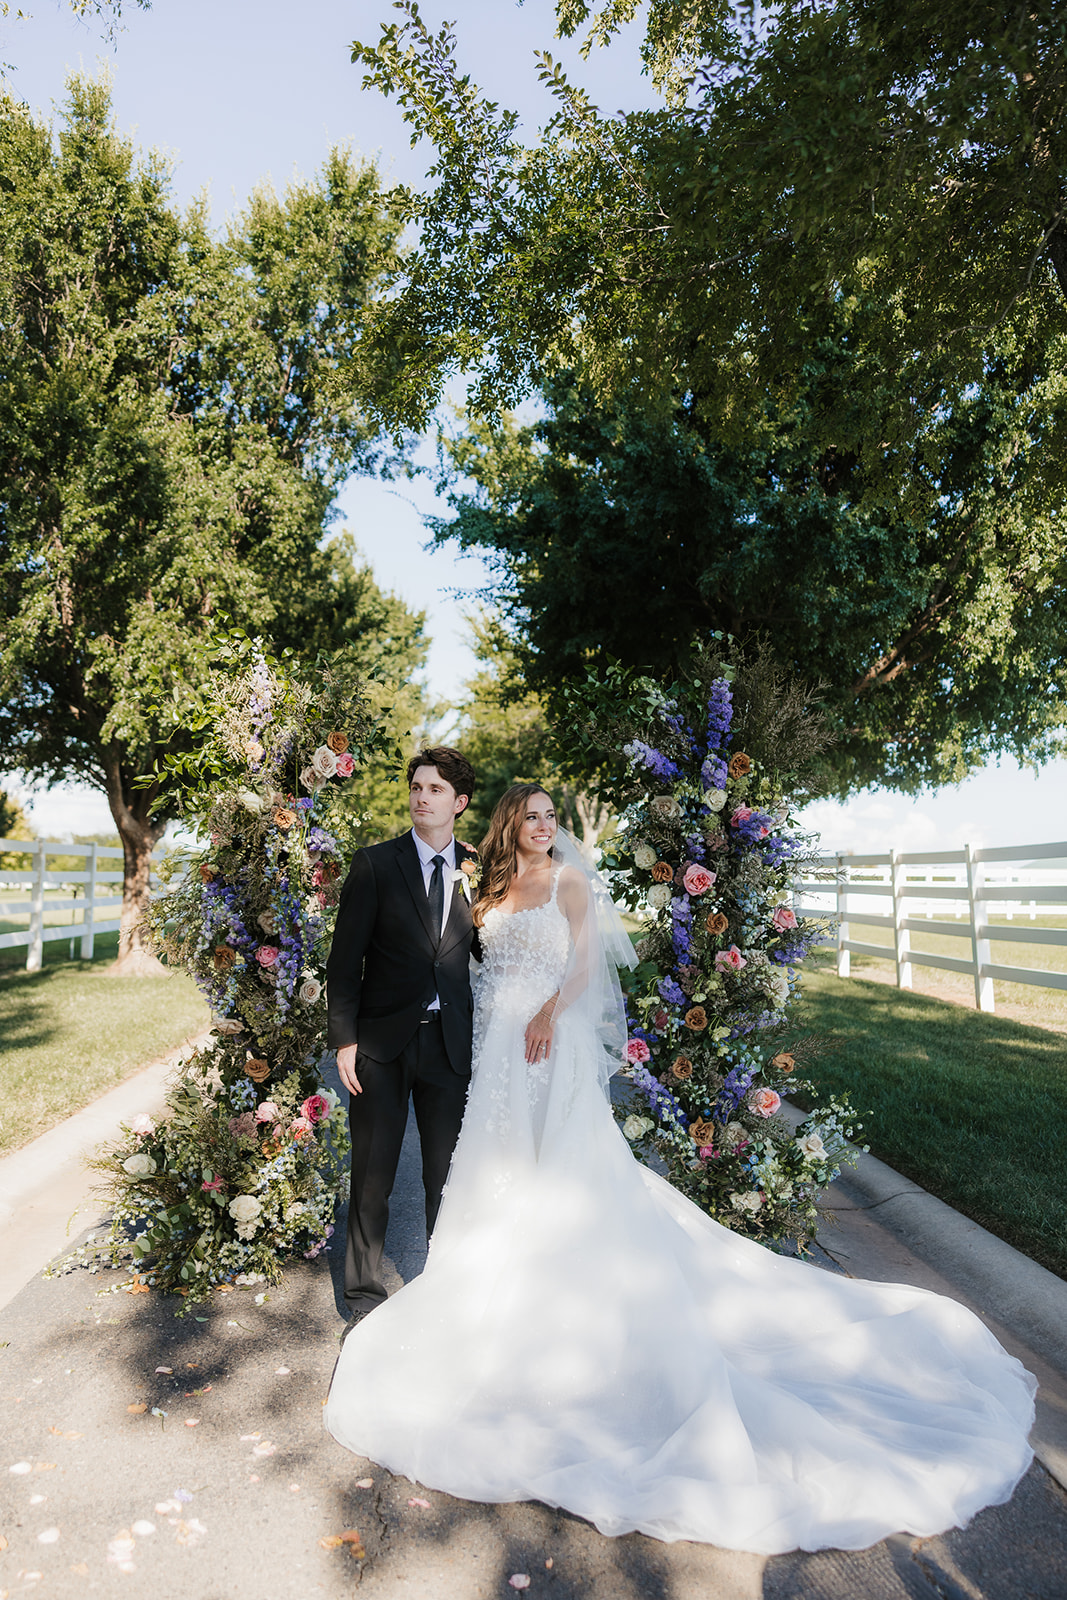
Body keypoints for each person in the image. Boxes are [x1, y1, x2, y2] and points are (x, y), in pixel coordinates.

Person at [325, 783, 1036, 1554]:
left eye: (549, 817)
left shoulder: (568, 881)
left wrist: (544, 1014)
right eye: (529, 816)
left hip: (542, 1044)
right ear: (506, 825)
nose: (541, 826)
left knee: (557, 1174)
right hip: (493, 1052)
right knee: (493, 1171)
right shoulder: (488, 884)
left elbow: (585, 970)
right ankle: (487, 1292)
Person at [325, 746, 479, 1342]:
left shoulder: (479, 870)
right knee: (372, 1174)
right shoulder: (374, 865)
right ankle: (363, 1294)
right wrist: (345, 1040)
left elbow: (493, 948)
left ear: (459, 803)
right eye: (417, 787)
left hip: (449, 1046)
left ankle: (444, 1284)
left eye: (437, 789)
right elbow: (345, 963)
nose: (422, 797)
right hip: (381, 1046)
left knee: (447, 1176)